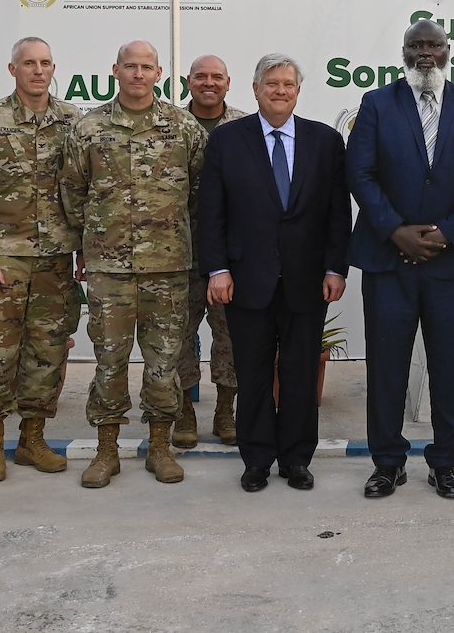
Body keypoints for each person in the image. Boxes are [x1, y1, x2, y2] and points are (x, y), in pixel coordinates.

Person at [345, 19, 454, 501]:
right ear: (404, 52)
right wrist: (395, 230)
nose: (425, 53)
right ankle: (387, 463)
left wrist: (446, 233)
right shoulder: (376, 104)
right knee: (386, 368)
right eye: (417, 46)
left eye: (434, 45)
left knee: (450, 367)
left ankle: (447, 463)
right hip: (389, 261)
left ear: (448, 50)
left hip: (449, 263)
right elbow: (360, 173)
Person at [198, 54, 351, 492]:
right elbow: (213, 213)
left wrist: (335, 268)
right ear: (255, 89)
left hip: (308, 281)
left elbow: (338, 214)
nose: (280, 91)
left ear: (298, 91)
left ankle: (297, 459)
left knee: (302, 374)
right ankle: (258, 459)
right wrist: (218, 270)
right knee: (254, 374)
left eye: (288, 84)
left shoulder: (324, 141)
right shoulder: (228, 141)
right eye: (272, 84)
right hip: (247, 280)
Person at [60, 40, 207, 489]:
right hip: (110, 269)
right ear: (115, 70)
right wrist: (91, 245)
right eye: (130, 66)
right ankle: (107, 450)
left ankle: (160, 447)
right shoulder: (89, 127)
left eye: (146, 67)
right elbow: (72, 191)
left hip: (168, 267)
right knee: (109, 360)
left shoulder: (183, 128)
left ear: (159, 73)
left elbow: (200, 192)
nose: (138, 74)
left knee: (164, 361)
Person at [0, 37, 82, 483]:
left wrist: (84, 250)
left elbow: (84, 191)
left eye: (45, 63)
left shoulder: (72, 122)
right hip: (3, 261)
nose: (38, 71)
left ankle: (32, 439)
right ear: (13, 70)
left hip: (56, 262)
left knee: (46, 353)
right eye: (29, 63)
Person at [177, 53, 249, 448]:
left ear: (228, 83)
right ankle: (184, 413)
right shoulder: (169, 124)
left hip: (229, 253)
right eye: (201, 76)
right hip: (179, 251)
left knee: (231, 336)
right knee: (179, 337)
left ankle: (226, 411)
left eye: (216, 77)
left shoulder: (244, 126)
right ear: (188, 81)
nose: (209, 83)